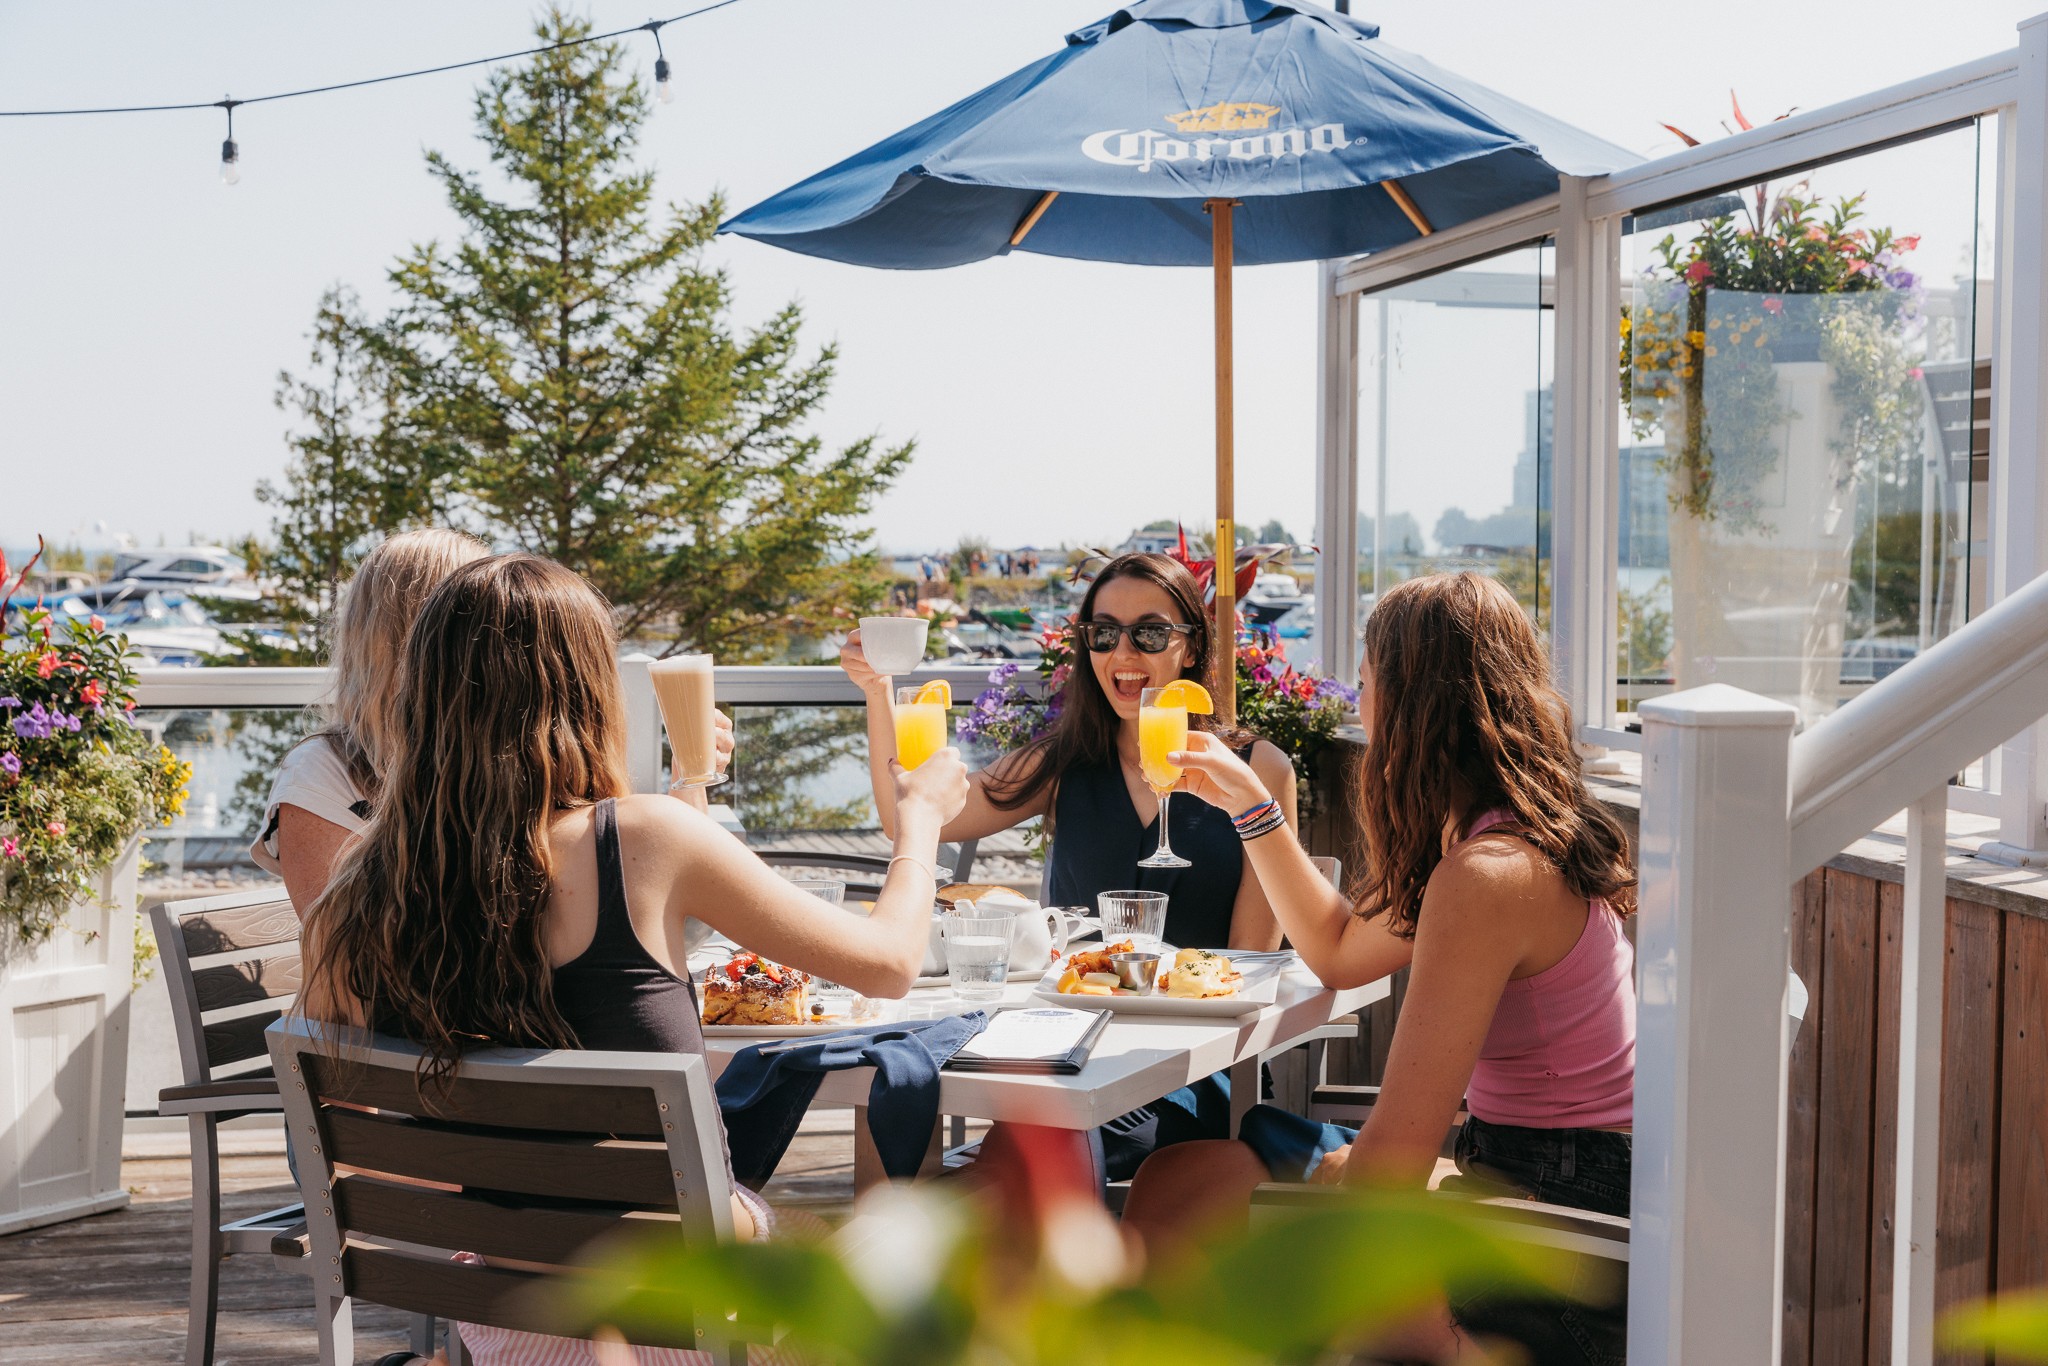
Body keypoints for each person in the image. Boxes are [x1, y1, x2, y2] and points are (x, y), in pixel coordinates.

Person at [300, 554, 970, 1363]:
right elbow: (890, 962)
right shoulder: (644, 842)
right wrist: (920, 820)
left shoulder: (357, 894)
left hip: (508, 1325)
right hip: (685, 1330)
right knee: (939, 1220)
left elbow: (365, 1140)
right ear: (589, 692)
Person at [1119, 571, 1638, 1363]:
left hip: (1556, 1241)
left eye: (1364, 683)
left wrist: (1360, 1171)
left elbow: (1384, 1175)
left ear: (1409, 705)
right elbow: (1337, 952)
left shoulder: (1488, 876)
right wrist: (1251, 804)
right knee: (1178, 1180)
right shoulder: (1500, 838)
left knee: (1219, 1241)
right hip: (1537, 1186)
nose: (1360, 703)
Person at [840, 551, 1297, 1180]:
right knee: (903, 1105)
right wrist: (877, 691)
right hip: (1069, 1054)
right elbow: (910, 818)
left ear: (1190, 647)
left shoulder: (1256, 771)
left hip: (1199, 1066)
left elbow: (1247, 963)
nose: (1123, 652)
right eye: (1104, 634)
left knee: (1014, 1164)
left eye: (1150, 633)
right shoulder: (1064, 763)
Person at [251, 530, 734, 918]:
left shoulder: (513, 753)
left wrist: (689, 780)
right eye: (485, 615)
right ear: (428, 632)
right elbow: (352, 962)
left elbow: (645, 904)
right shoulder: (322, 773)